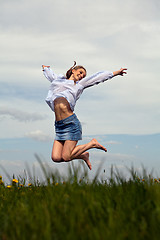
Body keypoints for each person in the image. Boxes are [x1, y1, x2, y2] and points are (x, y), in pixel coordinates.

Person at [42, 62, 127, 170]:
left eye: (84, 75)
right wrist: (45, 68)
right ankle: (83, 155)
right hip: (59, 126)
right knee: (56, 157)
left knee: (66, 157)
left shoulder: (79, 85)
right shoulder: (58, 81)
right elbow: (50, 75)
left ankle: (92, 144)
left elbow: (98, 77)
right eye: (81, 72)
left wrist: (116, 73)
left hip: (71, 124)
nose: (82, 75)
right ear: (73, 70)